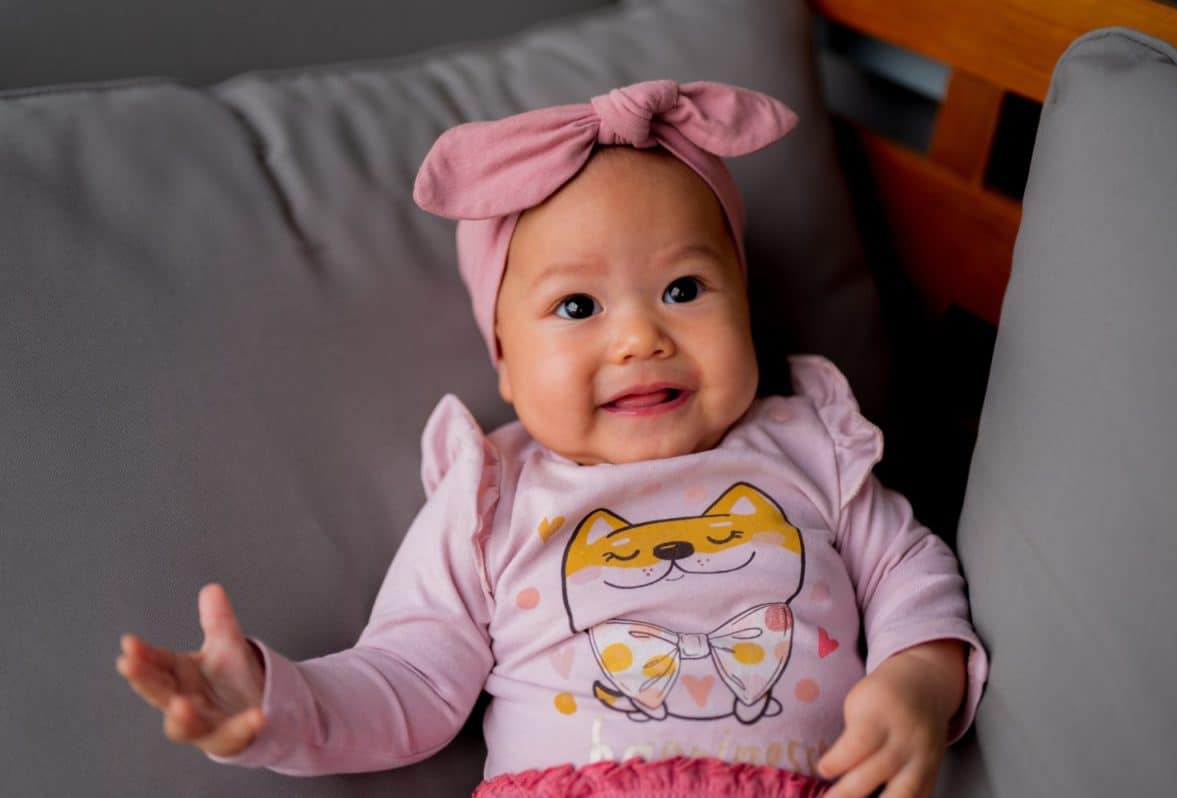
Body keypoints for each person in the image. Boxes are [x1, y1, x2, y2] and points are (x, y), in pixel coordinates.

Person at [115, 80, 988, 798]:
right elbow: (411, 681)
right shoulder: (493, 495)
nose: (641, 337)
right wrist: (275, 702)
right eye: (578, 308)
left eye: (685, 288)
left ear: (747, 308)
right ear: (505, 364)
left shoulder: (809, 448)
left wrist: (918, 679)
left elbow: (911, 573)